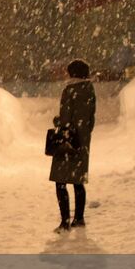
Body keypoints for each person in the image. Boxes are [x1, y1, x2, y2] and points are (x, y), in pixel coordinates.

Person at [49, 59, 96, 232]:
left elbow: (66, 118)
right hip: (82, 142)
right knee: (78, 182)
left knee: (60, 182)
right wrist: (82, 134)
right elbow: (90, 120)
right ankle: (79, 218)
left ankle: (64, 222)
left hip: (67, 143)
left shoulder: (69, 90)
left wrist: (59, 123)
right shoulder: (90, 90)